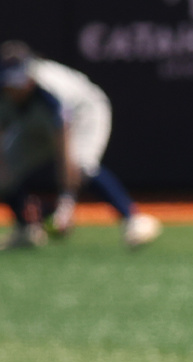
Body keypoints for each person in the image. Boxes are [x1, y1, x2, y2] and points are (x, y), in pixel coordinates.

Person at [0, 43, 161, 251]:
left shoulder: (51, 91)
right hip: (32, 124)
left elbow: (63, 149)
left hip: (83, 113)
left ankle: (133, 220)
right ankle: (27, 230)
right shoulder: (5, 92)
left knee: (82, 165)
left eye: (19, 81)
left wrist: (65, 205)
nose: (16, 88)